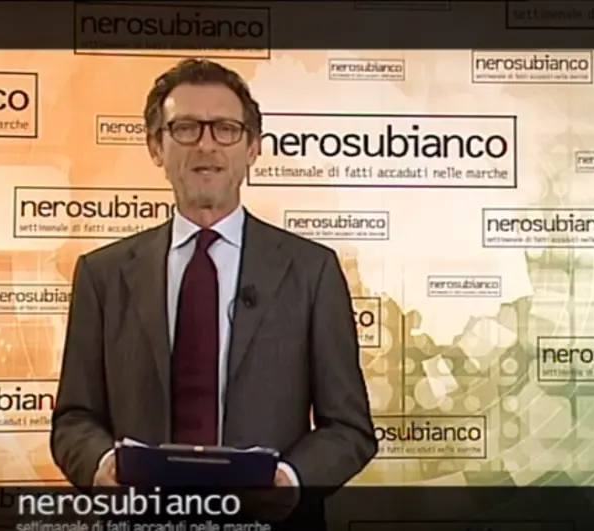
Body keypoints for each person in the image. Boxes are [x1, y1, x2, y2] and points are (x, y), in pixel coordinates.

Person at [50, 58, 377, 519]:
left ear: (252, 148)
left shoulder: (311, 271)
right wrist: (101, 467)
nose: (206, 145)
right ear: (156, 146)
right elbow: (73, 419)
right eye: (185, 128)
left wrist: (291, 478)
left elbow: (349, 427)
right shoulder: (102, 274)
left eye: (225, 129)